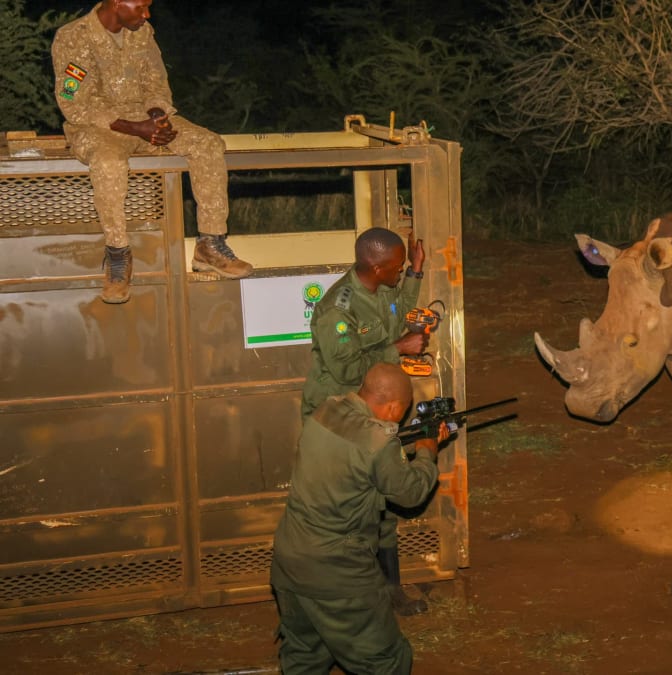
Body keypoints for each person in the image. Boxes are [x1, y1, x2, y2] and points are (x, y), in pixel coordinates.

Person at [52, 0, 253, 305]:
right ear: (117, 3)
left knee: (208, 144)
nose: (146, 14)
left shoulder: (142, 32)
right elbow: (73, 102)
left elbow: (157, 83)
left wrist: (158, 117)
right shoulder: (73, 37)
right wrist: (136, 128)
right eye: (141, 6)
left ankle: (210, 245)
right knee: (109, 162)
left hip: (144, 121)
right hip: (98, 128)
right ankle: (118, 257)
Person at [271, 363, 450, 674]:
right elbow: (410, 492)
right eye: (402, 410)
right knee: (386, 661)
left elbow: (360, 451)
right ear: (393, 407)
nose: (400, 417)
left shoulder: (325, 411)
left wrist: (403, 441)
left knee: (305, 656)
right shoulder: (379, 442)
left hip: (290, 560)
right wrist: (427, 451)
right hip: (338, 571)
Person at [300, 226, 430, 614]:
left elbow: (397, 309)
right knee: (347, 513)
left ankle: (390, 592)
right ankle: (342, 600)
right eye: (397, 266)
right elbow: (346, 371)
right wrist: (398, 349)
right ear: (376, 267)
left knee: (382, 507)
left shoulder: (381, 288)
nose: (399, 271)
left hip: (371, 414)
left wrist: (416, 271)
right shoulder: (337, 310)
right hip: (336, 419)